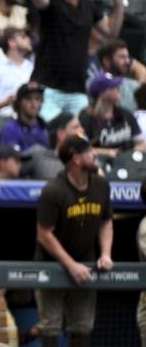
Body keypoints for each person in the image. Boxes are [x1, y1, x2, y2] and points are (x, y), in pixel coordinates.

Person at [29, 0, 125, 121]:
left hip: (77, 88)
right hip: (49, 86)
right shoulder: (52, 4)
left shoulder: (87, 4)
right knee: (52, 132)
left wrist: (119, 4)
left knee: (79, 135)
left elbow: (112, 32)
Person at [35, 135, 114, 347]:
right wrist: (70, 265)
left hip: (85, 262)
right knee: (50, 326)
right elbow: (44, 233)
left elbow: (106, 221)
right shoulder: (54, 190)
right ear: (76, 159)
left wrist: (106, 253)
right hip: (51, 265)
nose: (96, 154)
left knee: (82, 327)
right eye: (89, 151)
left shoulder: (101, 185)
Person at [78, 72, 145, 155]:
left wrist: (131, 155)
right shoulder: (86, 118)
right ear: (103, 93)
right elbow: (80, 150)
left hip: (129, 163)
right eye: (114, 87)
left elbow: (140, 142)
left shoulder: (125, 114)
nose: (118, 89)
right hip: (101, 163)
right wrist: (107, 152)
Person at [0, 27, 33, 116]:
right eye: (23, 37)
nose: (28, 39)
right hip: (3, 121)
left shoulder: (32, 67)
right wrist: (5, 103)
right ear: (12, 43)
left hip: (29, 122)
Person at [24, 113, 84, 180]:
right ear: (61, 134)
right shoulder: (38, 155)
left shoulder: (85, 160)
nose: (82, 130)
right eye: (76, 127)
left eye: (81, 127)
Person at [89, 38, 140, 112]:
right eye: (122, 57)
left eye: (127, 57)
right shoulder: (96, 85)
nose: (128, 61)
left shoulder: (135, 86)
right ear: (107, 61)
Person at [0, 82, 49, 151]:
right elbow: (9, 159)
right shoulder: (11, 129)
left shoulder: (44, 128)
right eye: (28, 99)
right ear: (19, 102)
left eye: (37, 99)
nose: (34, 104)